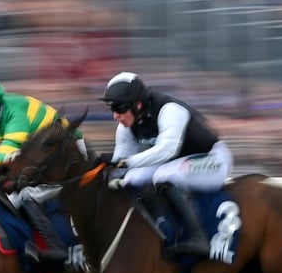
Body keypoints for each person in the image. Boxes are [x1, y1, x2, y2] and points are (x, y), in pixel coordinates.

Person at [0, 71, 84, 265]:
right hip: (41, 163)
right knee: (3, 191)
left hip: (70, 158)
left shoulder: (16, 115)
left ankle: (62, 251)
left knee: (25, 195)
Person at [99, 71, 234, 257]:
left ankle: (198, 237)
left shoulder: (170, 110)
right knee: (132, 179)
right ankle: (162, 228)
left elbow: (166, 150)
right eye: (111, 109)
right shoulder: (126, 127)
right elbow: (121, 165)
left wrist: (122, 162)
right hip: (177, 162)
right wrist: (102, 171)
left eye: (119, 108)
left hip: (212, 159)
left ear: (137, 104)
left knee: (165, 176)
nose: (115, 116)